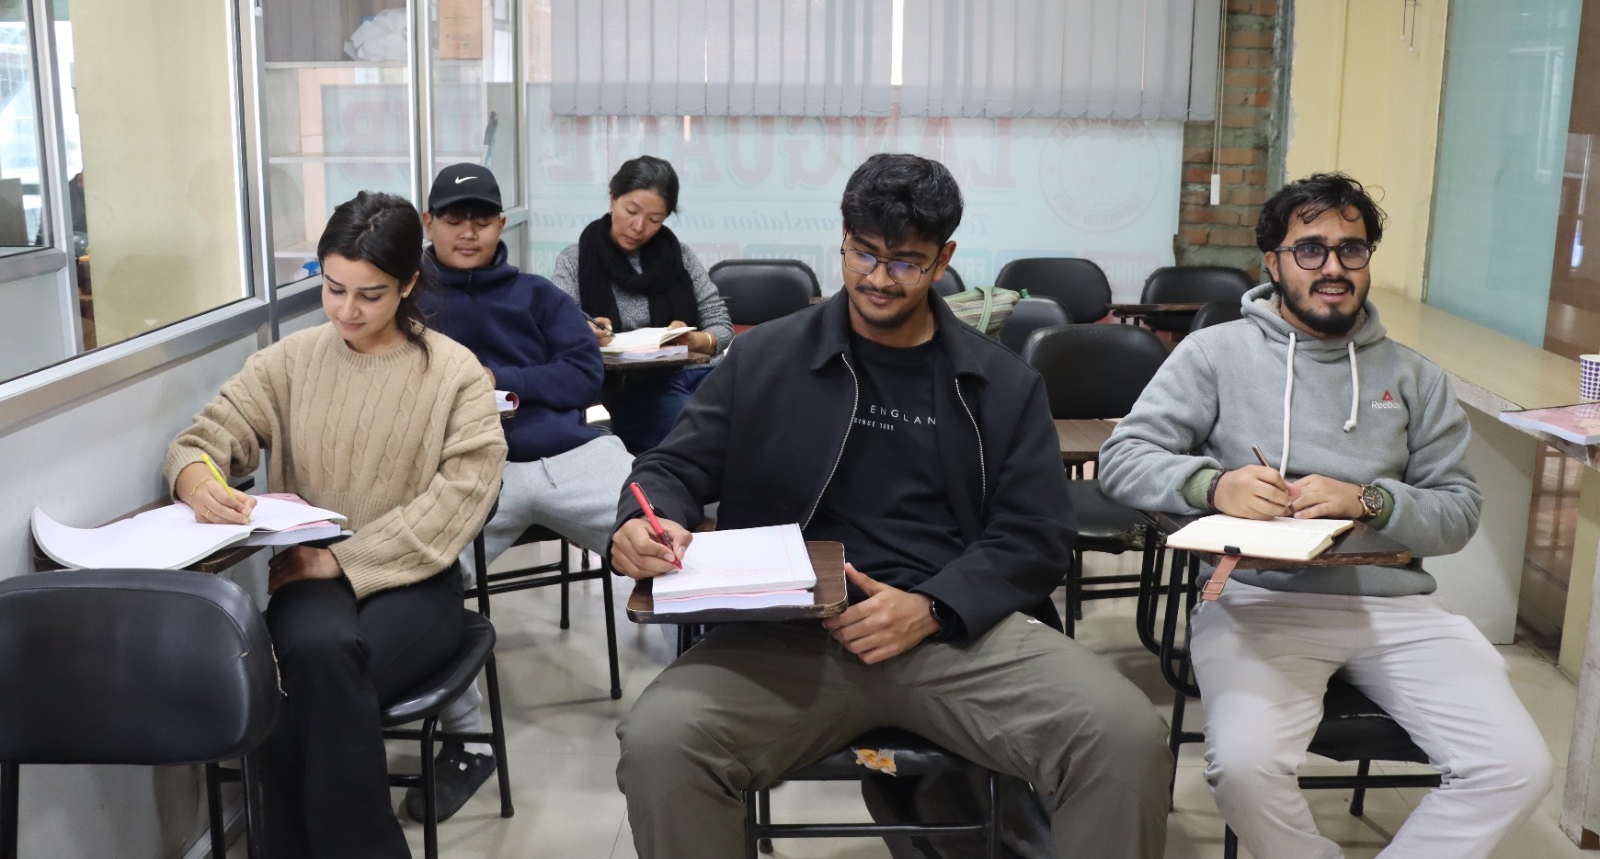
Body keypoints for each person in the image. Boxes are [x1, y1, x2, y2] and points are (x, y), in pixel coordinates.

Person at [610, 152, 1172, 859]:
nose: (878, 278)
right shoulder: (766, 359)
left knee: (1125, 737)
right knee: (661, 743)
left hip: (956, 636)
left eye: (905, 261)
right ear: (842, 239)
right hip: (789, 638)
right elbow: (671, 466)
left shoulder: (1000, 383)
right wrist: (643, 519)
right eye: (864, 254)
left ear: (944, 259)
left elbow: (1037, 534)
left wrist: (933, 607)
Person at [1098, 172, 1553, 859]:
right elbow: (1122, 459)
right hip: (1258, 599)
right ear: (1272, 263)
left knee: (1517, 767)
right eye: (1309, 249)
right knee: (1244, 770)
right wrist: (1212, 485)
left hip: (1395, 607)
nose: (1333, 267)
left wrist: (1371, 499)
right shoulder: (1214, 355)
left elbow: (1458, 513)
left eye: (1352, 249)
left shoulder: (1416, 378)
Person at [164, 191, 506, 859]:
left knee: (292, 696)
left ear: (409, 284)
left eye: (370, 294)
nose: (347, 310)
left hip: (418, 581)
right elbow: (202, 439)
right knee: (314, 668)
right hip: (310, 581)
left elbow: (463, 497)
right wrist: (198, 481)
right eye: (333, 288)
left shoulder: (455, 375)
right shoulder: (291, 362)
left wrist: (345, 559)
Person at [408, 161, 634, 820]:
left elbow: (584, 374)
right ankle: (466, 741)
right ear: (428, 223)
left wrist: (500, 379)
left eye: (482, 218)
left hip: (568, 454)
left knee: (676, 540)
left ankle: (721, 710)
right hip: (469, 471)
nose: (468, 231)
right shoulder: (406, 299)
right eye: (454, 218)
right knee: (420, 579)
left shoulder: (538, 296)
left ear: (501, 224)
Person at [550, 155, 732, 452]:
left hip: (704, 374)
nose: (638, 227)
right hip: (634, 388)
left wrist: (694, 340)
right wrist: (587, 333)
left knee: (757, 416)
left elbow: (721, 324)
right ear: (612, 199)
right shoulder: (575, 260)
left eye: (654, 220)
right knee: (701, 434)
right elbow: (559, 331)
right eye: (631, 211)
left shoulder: (680, 256)